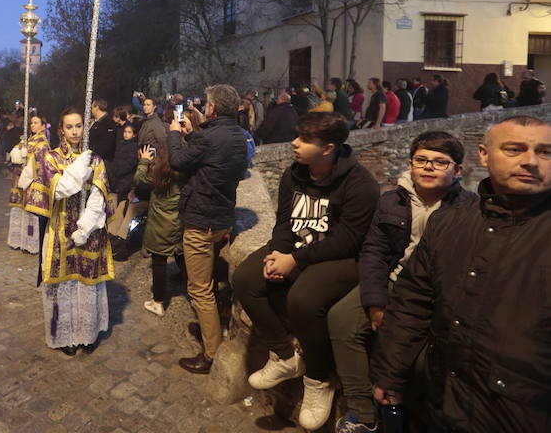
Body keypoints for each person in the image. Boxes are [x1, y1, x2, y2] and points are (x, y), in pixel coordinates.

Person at [370, 115, 551, 432]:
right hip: (439, 399)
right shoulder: (450, 222)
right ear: (484, 154)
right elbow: (413, 301)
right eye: (514, 149)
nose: (531, 161)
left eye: (546, 152)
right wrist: (391, 373)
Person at [233, 112, 379, 431]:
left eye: (304, 140)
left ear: (328, 149)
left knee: (304, 298)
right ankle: (285, 356)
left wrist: (295, 261)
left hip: (342, 258)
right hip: (300, 248)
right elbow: (284, 221)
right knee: (245, 278)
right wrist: (277, 251)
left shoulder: (360, 184)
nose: (294, 143)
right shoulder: (294, 174)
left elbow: (349, 240)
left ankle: (319, 378)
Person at [328, 132, 477, 432]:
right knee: (341, 320)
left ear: (457, 170)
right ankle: (363, 412)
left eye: (440, 162)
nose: (428, 167)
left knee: (425, 358)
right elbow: (374, 251)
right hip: (395, 281)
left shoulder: (470, 210)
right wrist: (375, 301)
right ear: (410, 164)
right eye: (421, 160)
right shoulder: (391, 201)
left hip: (436, 294)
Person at [168, 84, 247, 374]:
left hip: (202, 220)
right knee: (210, 279)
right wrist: (193, 137)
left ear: (212, 108)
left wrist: (175, 134)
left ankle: (210, 352)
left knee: (199, 289)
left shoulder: (209, 136)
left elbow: (178, 160)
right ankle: (211, 324)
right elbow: (214, 160)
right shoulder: (239, 135)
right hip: (222, 217)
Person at [35, 108, 114, 355]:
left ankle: (86, 335)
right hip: (60, 229)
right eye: (69, 127)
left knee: (86, 283)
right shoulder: (51, 158)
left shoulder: (96, 159)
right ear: (61, 129)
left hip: (89, 233)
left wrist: (85, 227)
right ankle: (64, 336)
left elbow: (98, 196)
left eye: (79, 126)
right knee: (64, 283)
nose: (75, 131)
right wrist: (80, 168)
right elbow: (58, 189)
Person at [138, 120, 188, 317]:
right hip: (179, 220)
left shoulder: (159, 170)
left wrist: (144, 161)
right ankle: (198, 296)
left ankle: (158, 302)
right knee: (183, 258)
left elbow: (139, 180)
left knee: (159, 262)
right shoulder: (185, 167)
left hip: (160, 223)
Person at [8, 113, 50, 255]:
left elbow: (40, 164)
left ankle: (31, 244)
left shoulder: (43, 143)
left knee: (32, 216)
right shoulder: (28, 140)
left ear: (43, 125)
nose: (33, 125)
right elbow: (14, 153)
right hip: (20, 181)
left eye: (36, 123)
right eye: (31, 123)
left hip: (32, 182)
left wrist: (27, 158)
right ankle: (20, 241)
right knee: (21, 211)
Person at [106, 122, 139, 240]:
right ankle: (113, 231)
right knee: (116, 207)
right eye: (125, 132)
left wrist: (119, 170)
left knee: (123, 206)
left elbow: (130, 163)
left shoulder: (134, 147)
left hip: (126, 180)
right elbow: (116, 159)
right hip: (118, 179)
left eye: (129, 132)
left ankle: (119, 234)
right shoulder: (121, 144)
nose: (126, 134)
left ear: (134, 134)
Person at [89, 98, 117, 170]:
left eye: (92, 107)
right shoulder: (95, 122)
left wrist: (97, 158)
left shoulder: (109, 123)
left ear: (97, 107)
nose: (91, 110)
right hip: (92, 159)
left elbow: (108, 144)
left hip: (102, 161)